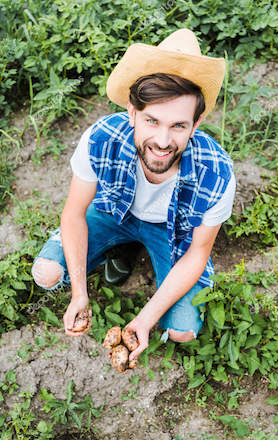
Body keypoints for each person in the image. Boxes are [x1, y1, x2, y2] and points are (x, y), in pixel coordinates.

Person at [32, 29, 236, 364]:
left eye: (178, 126)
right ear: (132, 113)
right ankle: (122, 244)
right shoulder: (102, 137)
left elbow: (198, 254)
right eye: (152, 120)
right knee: (46, 274)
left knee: (183, 331)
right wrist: (79, 293)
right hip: (113, 212)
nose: (162, 140)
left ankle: (133, 249)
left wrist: (144, 320)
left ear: (196, 123)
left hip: (172, 234)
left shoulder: (218, 173)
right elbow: (73, 213)